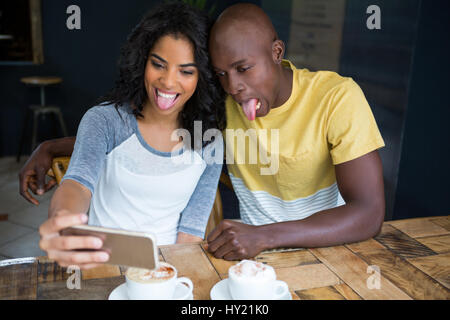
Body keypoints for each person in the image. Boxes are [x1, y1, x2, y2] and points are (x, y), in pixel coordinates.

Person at [20, 3, 385, 262]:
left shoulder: (333, 98)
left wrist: (262, 235)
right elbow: (136, 135)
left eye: (243, 68)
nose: (234, 86)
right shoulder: (220, 110)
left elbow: (369, 213)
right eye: (223, 74)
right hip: (254, 259)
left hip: (331, 249)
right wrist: (53, 148)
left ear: (277, 51)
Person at [33, 2, 225, 270]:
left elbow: (191, 231)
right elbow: (77, 184)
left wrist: (173, 281)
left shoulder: (209, 140)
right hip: (100, 264)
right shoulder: (105, 120)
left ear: (203, 77)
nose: (168, 82)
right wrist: (65, 221)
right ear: (142, 60)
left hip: (167, 270)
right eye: (158, 64)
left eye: (186, 71)